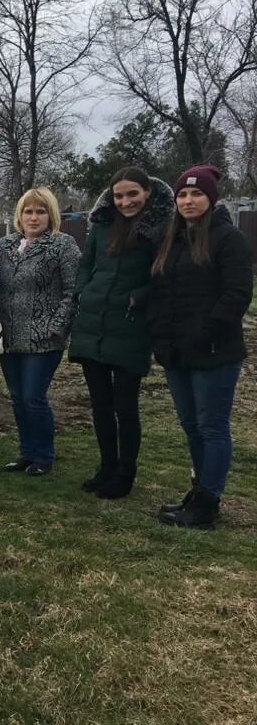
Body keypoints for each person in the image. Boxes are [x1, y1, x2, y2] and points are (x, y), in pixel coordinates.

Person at [147, 165, 253, 528]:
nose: (188, 201)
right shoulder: (173, 241)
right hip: (177, 353)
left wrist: (207, 333)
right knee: (191, 424)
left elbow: (236, 294)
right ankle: (199, 490)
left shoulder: (228, 239)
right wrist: (161, 338)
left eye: (196, 194)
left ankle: (209, 500)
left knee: (212, 426)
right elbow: (161, 295)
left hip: (214, 353)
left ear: (211, 198)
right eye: (182, 195)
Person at [70, 167, 173, 499]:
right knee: (100, 403)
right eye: (119, 195)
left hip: (129, 325)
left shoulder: (160, 229)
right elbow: (87, 263)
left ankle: (126, 472)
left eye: (132, 194)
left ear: (147, 194)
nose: (126, 201)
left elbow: (164, 274)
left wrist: (137, 297)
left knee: (124, 405)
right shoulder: (101, 226)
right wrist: (83, 290)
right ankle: (107, 465)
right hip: (93, 322)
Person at [0, 188, 81, 476]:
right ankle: (26, 452)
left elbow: (73, 291)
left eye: (40, 211)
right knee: (17, 396)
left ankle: (43, 455)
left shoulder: (62, 245)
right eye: (28, 211)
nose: (33, 217)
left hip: (43, 337)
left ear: (51, 215)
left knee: (34, 396)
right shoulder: (5, 245)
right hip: (9, 335)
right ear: (19, 215)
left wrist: (56, 326)